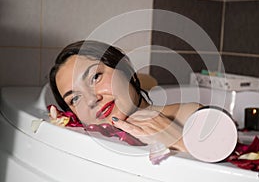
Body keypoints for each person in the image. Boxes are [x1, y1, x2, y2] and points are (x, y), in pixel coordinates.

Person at [49, 40, 201, 151]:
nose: (91, 100)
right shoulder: (90, 134)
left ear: (124, 68)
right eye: (75, 98)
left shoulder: (190, 116)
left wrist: (179, 142)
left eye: (95, 77)